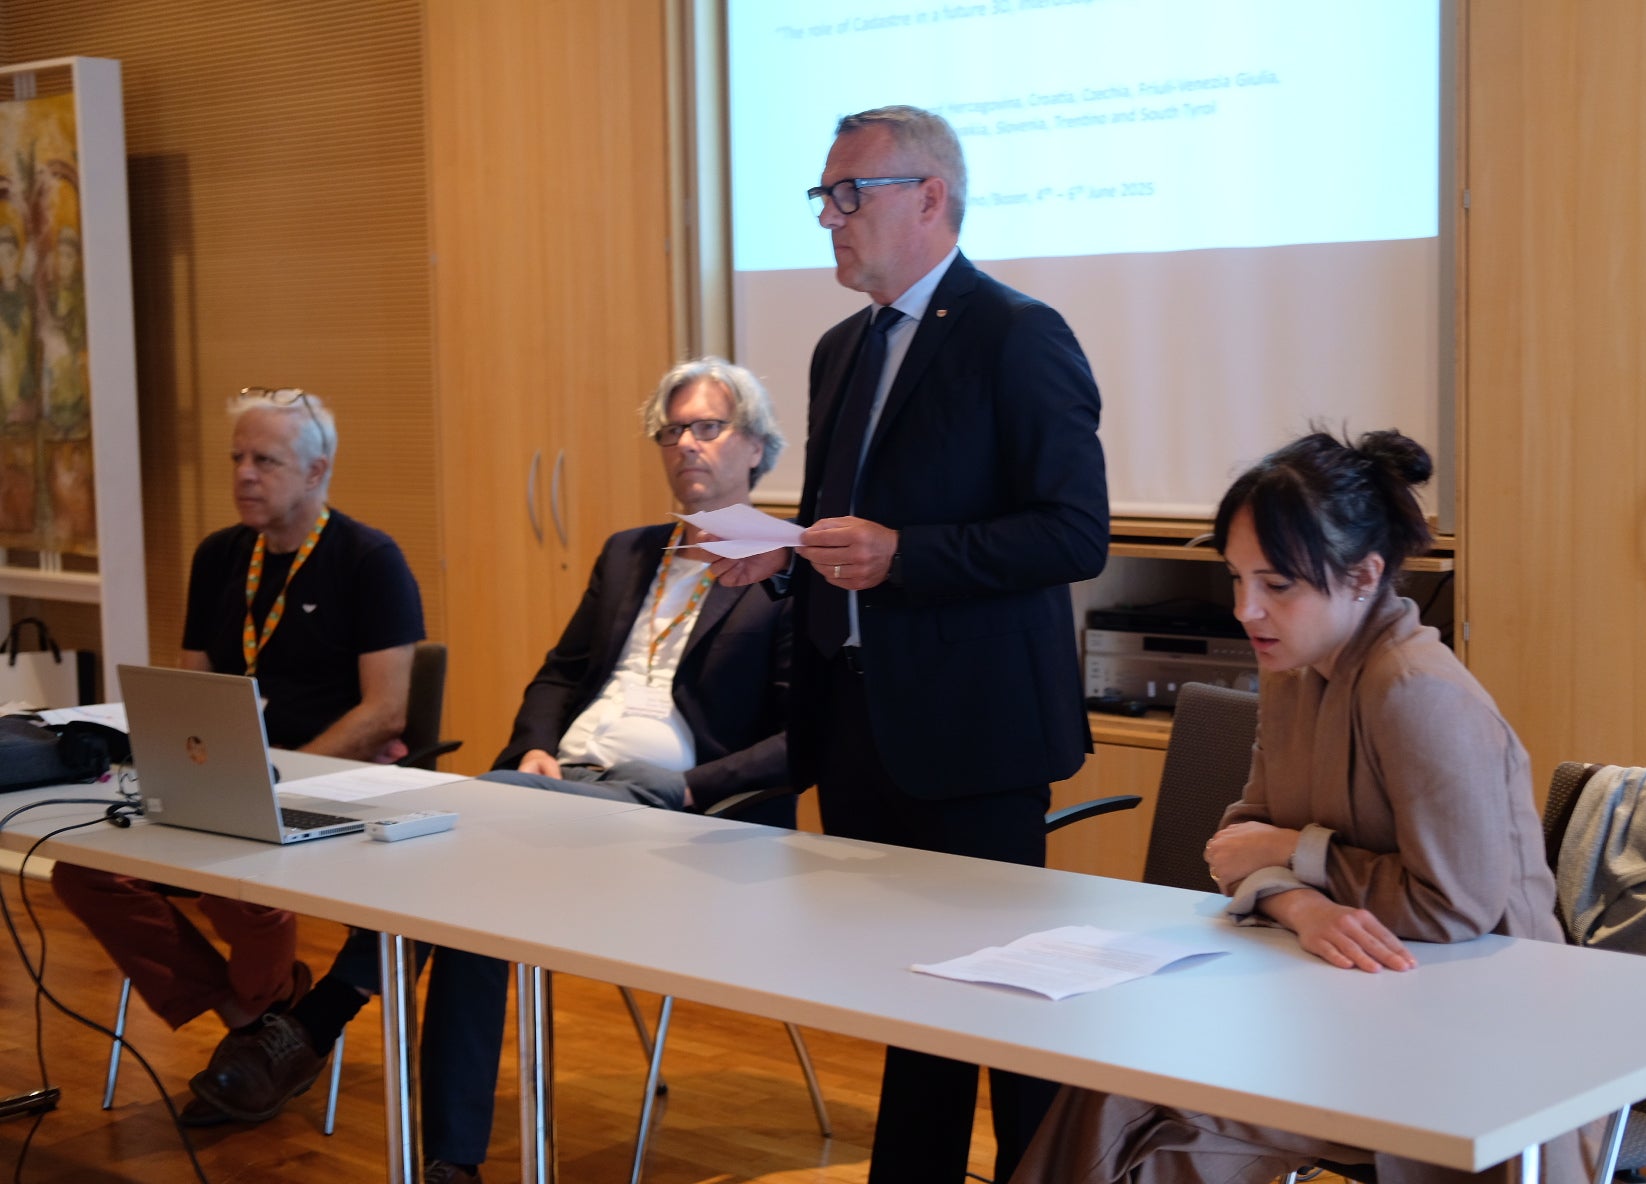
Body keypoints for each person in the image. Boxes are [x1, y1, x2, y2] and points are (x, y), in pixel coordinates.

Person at [192, 357, 794, 1183]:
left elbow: (810, 732)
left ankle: (320, 1025)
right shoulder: (631, 553)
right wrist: (532, 750)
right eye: (672, 430)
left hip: (681, 810)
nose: (686, 444)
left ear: (758, 448)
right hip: (560, 789)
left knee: (462, 856)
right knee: (470, 892)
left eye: (708, 428)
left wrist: (698, 787)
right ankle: (451, 1163)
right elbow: (556, 673)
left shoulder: (789, 567)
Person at [1008, 430, 1595, 1184]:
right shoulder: (1295, 670)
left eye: (1277, 584)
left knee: (1141, 1097)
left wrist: (1294, 853)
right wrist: (1302, 908)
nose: (1246, 609)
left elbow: (1454, 908)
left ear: (1363, 576)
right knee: (1120, 1082)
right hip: (1346, 1002)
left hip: (1476, 1037)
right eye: (1236, 578)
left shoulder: (1415, 692)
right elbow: (1234, 843)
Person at [713, 105, 1110, 1183]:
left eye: (853, 195)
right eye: (824, 198)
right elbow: (854, 524)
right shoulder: (843, 347)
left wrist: (906, 554)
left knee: (1006, 1008)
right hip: (854, 724)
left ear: (930, 197)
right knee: (908, 998)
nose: (831, 220)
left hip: (973, 734)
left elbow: (1075, 530)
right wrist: (783, 548)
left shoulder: (1017, 333)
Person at [50, 387, 423, 1125]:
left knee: (247, 890)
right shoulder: (220, 556)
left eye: (266, 460)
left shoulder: (370, 559)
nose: (245, 474)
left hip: (330, 783)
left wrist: (283, 779)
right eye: (238, 459)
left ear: (317, 471)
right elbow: (192, 689)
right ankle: (255, 1024)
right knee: (82, 870)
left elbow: (385, 711)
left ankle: (264, 1042)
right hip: (225, 783)